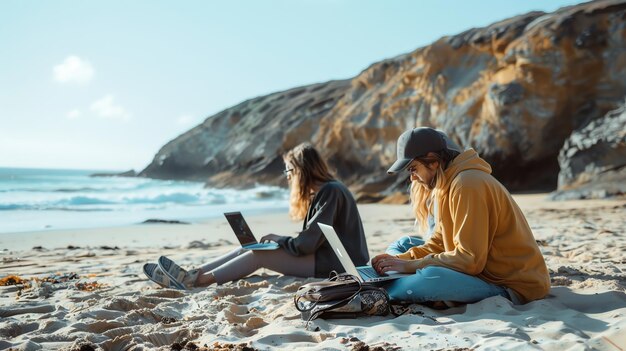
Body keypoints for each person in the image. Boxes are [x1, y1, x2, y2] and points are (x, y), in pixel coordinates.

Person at [143, 143, 369, 289]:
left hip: (340, 265)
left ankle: (198, 281)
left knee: (258, 256)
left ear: (301, 170)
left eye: (289, 171)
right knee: (250, 247)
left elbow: (307, 244)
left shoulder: (330, 191)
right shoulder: (328, 190)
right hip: (332, 258)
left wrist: (280, 240)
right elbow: (313, 239)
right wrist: (278, 241)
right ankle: (192, 274)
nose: (288, 177)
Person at [372, 127, 550, 305]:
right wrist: (398, 260)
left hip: (511, 285)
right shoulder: (448, 184)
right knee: (403, 246)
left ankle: (386, 288)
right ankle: (388, 279)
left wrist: (410, 265)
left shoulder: (467, 184)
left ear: (433, 161)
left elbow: (470, 260)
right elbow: (440, 243)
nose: (412, 178)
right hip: (481, 273)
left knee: (431, 277)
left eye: (413, 169)